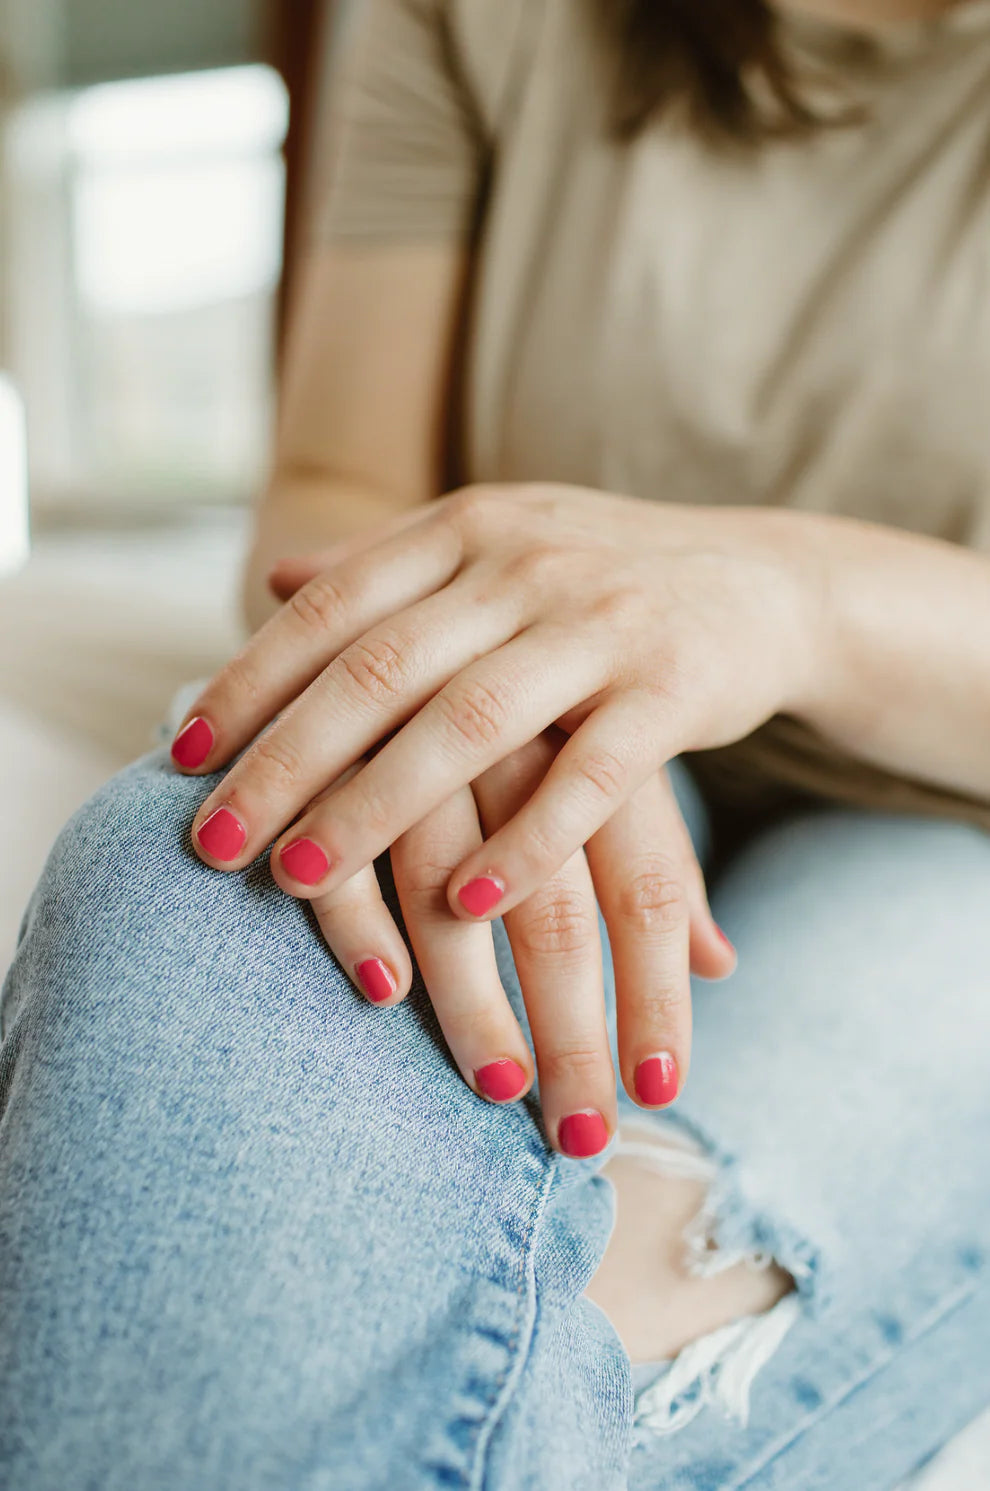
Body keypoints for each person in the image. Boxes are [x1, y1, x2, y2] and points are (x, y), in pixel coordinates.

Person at [3, 0, 990, 1486]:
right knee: (195, 863)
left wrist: (792, 600)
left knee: (638, 1285)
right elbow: (340, 476)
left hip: (947, 801)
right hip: (535, 701)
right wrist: (441, 666)